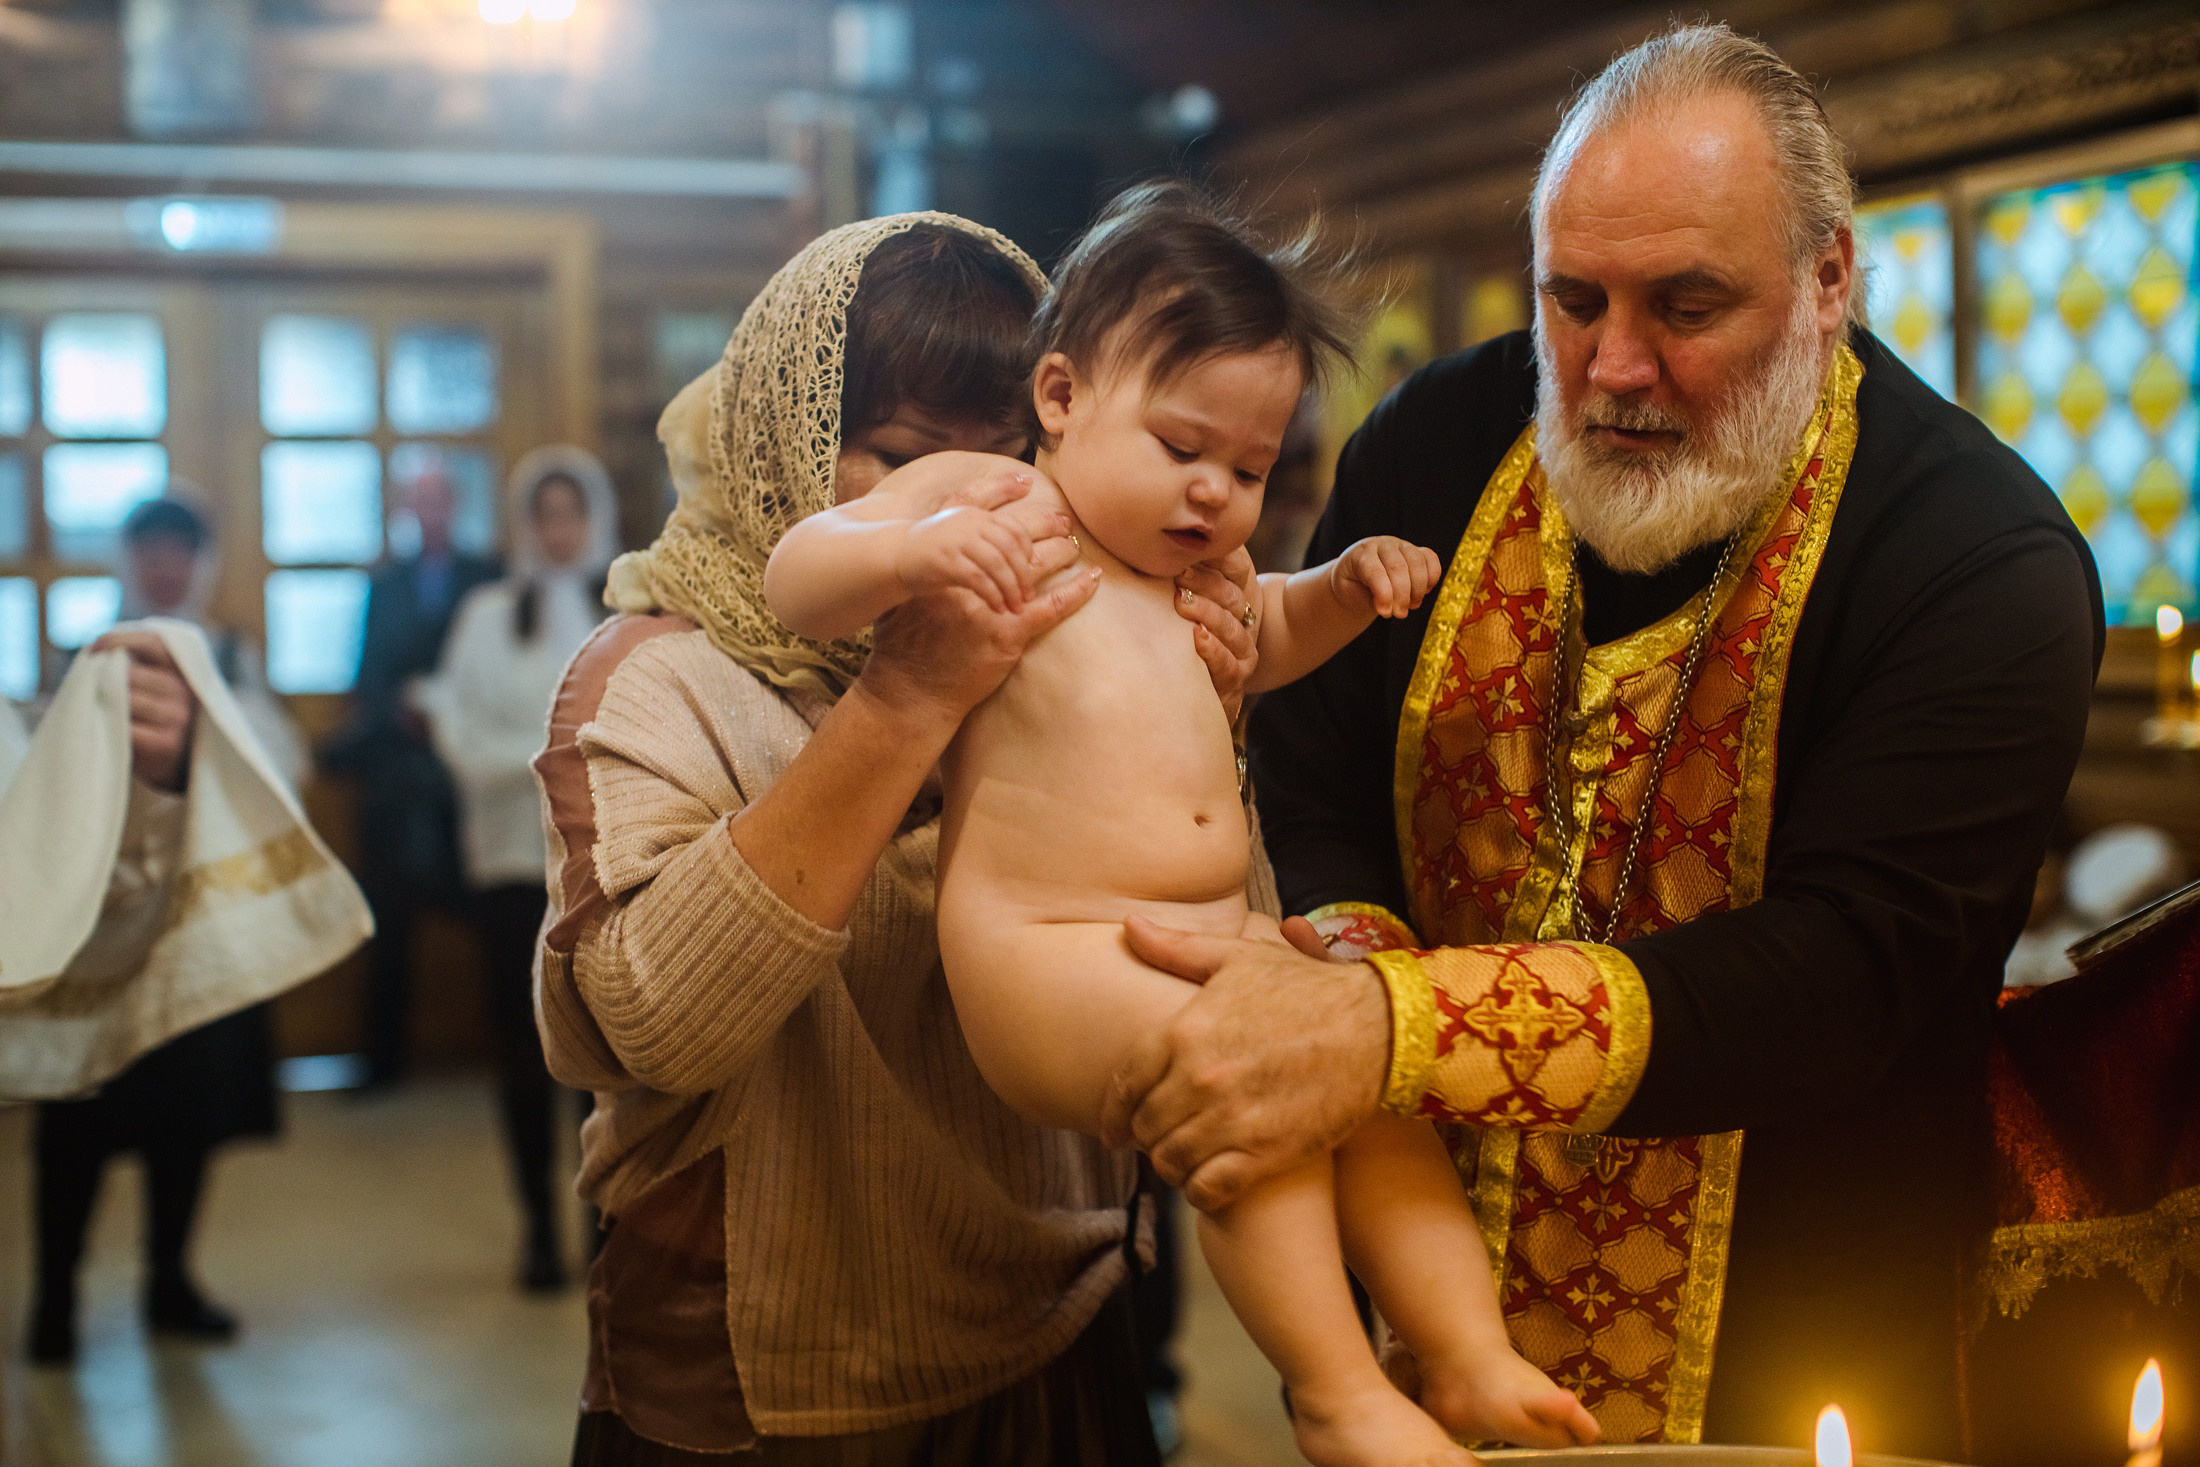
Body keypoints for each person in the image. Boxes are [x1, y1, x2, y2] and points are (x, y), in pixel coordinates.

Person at [1100, 25, 2101, 1459]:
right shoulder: (1439, 442)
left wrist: (1389, 1027)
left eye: (1686, 305)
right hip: (1438, 1293)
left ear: (1830, 275)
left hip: (1799, 1331)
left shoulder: (1972, 555)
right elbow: (1313, 773)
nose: (1611, 367)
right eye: (1574, 298)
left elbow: (1848, 971)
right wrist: (1350, 959)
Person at [765, 184, 1594, 1464]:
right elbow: (798, 577)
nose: (1213, 493)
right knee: (1241, 1082)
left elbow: (1265, 638)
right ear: (1058, 399)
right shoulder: (987, 501)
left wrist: (1342, 587)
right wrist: (911, 554)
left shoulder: (1191, 575)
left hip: (1209, 933)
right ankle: (1331, 1390)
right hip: (1049, 948)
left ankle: (1465, 1353)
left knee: (1372, 1064)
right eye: (1179, 447)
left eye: (1251, 469)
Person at [533, 214, 1263, 1464]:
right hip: (775, 1370)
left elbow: (1199, 943)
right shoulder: (657, 677)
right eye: (903, 458)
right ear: (787, 440)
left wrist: (1205, 722)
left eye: (1016, 459)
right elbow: (656, 1029)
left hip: (1055, 1319)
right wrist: (905, 700)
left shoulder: (1082, 619)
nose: (982, 507)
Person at [25, 494, 306, 1363]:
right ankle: (56, 1293)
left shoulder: (229, 655)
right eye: (150, 549)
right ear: (128, 557)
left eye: (181, 551)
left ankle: (169, 1277)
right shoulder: (90, 652)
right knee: (79, 1115)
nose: (165, 566)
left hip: (199, 926)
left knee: (188, 1114)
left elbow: (280, 763)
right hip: (101, 926)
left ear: (202, 561)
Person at [416, 447, 618, 1291]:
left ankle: (604, 1222)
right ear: (523, 525)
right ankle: (537, 1224)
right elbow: (458, 739)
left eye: (572, 513)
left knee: (606, 1056)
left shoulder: (630, 605)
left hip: (605, 862)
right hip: (508, 863)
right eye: (544, 514)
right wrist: (558, 757)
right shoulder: (484, 613)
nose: (559, 529)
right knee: (523, 1049)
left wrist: (556, 756)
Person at [322, 466, 500, 1089]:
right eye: (417, 501)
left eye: (438, 499)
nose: (428, 511)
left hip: (469, 777)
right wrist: (403, 711)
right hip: (398, 782)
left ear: (456, 505)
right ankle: (381, 1063)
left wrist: (449, 714)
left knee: (493, 919)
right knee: (388, 920)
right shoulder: (386, 583)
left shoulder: (488, 577)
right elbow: (366, 673)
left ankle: (500, 1054)